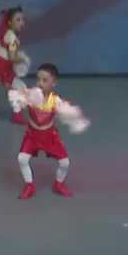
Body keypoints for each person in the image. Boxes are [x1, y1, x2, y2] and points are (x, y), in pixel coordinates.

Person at [10, 64, 86, 199]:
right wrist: (19, 101)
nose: (40, 83)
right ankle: (29, 185)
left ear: (54, 83)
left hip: (49, 136)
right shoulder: (31, 95)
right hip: (32, 136)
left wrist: (72, 116)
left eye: (45, 80)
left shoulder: (55, 101)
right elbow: (18, 99)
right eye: (38, 79)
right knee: (22, 159)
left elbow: (66, 113)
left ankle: (59, 184)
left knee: (65, 163)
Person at [0, 6, 32, 125]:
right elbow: (12, 57)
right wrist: (23, 59)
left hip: (4, 66)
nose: (22, 22)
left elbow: (10, 55)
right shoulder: (12, 37)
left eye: (22, 19)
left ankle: (17, 114)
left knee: (19, 86)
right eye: (18, 20)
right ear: (9, 22)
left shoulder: (8, 33)